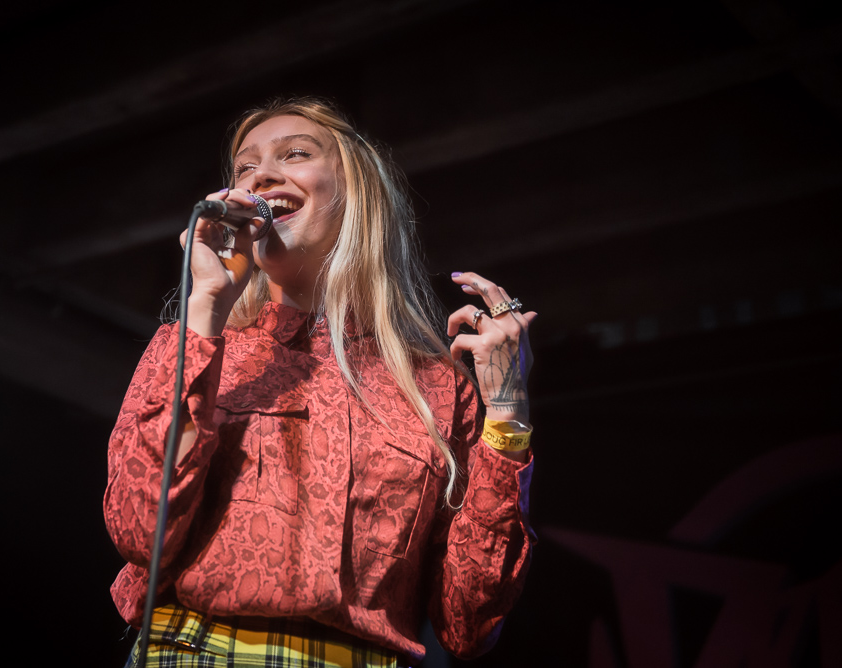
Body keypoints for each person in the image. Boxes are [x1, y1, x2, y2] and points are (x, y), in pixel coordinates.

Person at [104, 97, 537, 667]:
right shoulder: (200, 344)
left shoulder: (434, 386)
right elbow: (139, 530)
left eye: (296, 153)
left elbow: (468, 623)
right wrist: (205, 308)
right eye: (245, 167)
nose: (260, 174)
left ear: (355, 192)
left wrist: (507, 409)